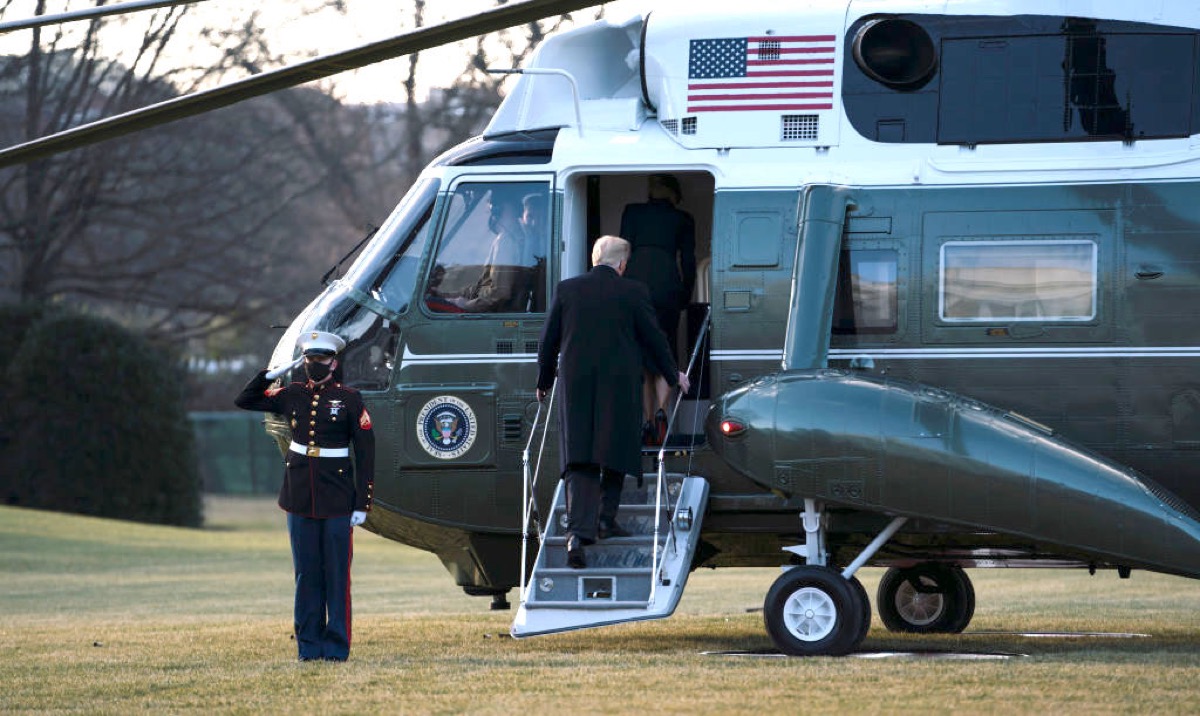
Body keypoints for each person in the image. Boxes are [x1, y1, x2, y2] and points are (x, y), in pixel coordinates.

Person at [536, 236, 690, 569]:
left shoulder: (567, 289)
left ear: (594, 259)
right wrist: (673, 373)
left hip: (575, 386)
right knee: (615, 449)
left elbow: (548, 341)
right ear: (622, 265)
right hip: (618, 386)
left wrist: (543, 381)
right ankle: (606, 519)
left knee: (581, 457)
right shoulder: (633, 291)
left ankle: (577, 534)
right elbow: (654, 337)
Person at [234, 330, 375, 662]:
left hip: (338, 499)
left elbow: (366, 455)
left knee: (337, 576)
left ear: (333, 362)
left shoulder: (351, 399)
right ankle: (308, 647)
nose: (315, 366)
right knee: (306, 576)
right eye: (310, 360)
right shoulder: (291, 393)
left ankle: (336, 648)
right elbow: (245, 399)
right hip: (298, 497)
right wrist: (268, 375)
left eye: (321, 360)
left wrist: (362, 503)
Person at [619, 174, 697, 444]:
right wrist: (686, 295)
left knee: (641, 359)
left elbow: (623, 251)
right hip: (667, 288)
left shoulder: (632, 212)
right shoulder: (683, 220)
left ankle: (648, 421)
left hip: (635, 285)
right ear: (674, 195)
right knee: (665, 353)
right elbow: (688, 261)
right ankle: (664, 413)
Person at [441, 191, 533, 313]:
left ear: (498, 209)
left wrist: (466, 305)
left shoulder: (506, 241)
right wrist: (457, 294)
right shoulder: (519, 237)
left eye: (492, 207)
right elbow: (486, 283)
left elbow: (499, 292)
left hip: (498, 316)